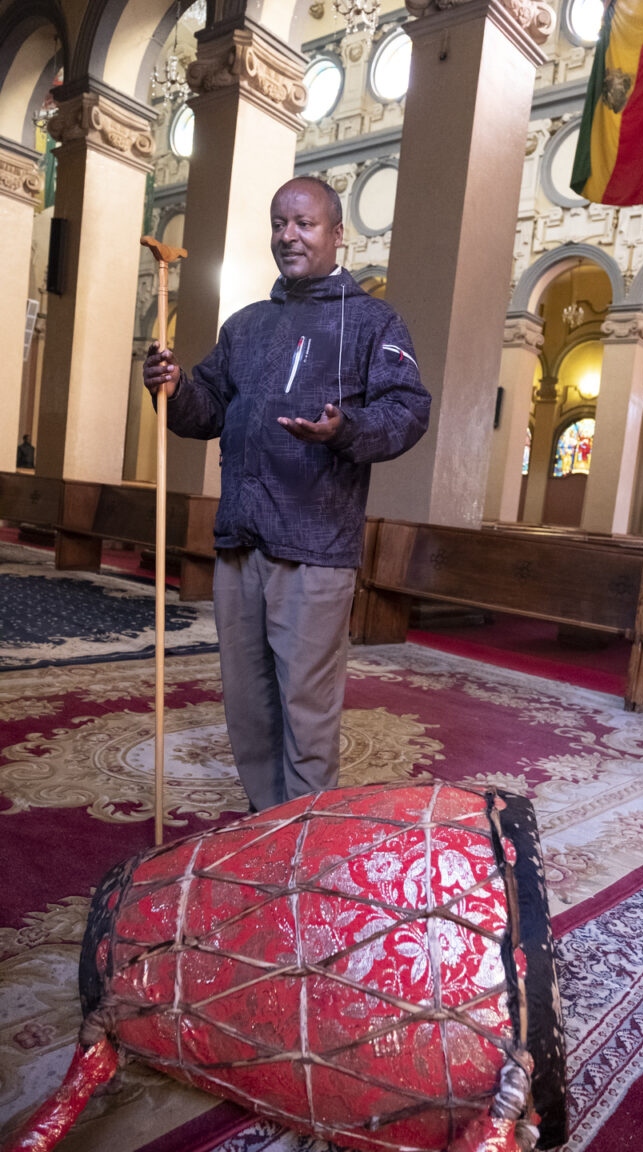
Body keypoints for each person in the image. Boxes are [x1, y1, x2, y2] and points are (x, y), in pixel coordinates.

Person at [144, 176, 430, 813]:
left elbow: (409, 411)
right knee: (248, 704)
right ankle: (263, 824)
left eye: (304, 223)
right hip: (240, 540)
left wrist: (344, 428)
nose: (288, 236)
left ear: (337, 233)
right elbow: (205, 409)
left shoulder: (374, 321)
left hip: (315, 544)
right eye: (279, 223)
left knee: (306, 704)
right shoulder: (245, 326)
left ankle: (302, 835)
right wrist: (173, 386)